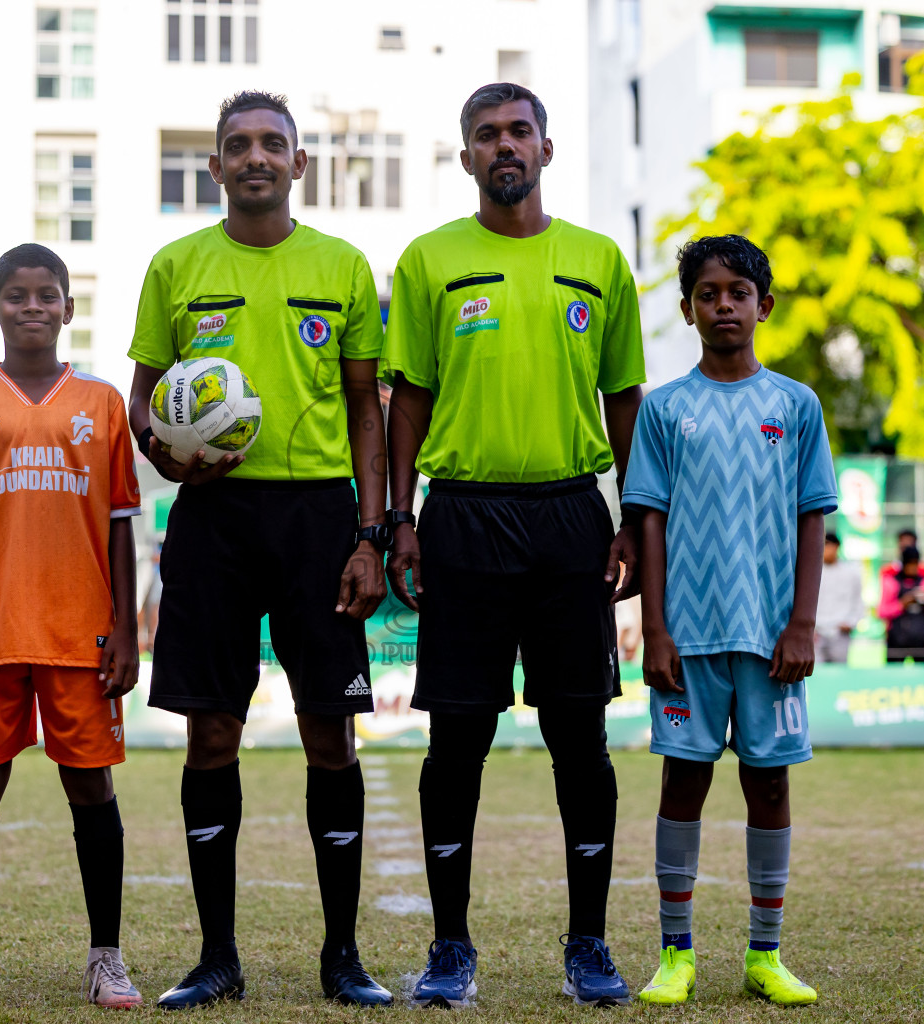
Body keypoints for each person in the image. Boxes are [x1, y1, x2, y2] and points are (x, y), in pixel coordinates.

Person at [126, 91, 391, 1009]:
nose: (255, 158)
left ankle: (343, 958)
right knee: (211, 732)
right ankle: (217, 958)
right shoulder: (177, 265)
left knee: (330, 731)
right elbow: (142, 402)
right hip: (214, 519)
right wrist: (168, 455)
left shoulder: (344, 265)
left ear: (299, 163)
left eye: (272, 144)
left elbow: (368, 406)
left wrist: (370, 531)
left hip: (319, 520)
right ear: (215, 167)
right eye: (237, 146)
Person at [383, 82, 645, 1008]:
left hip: (572, 517)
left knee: (583, 738)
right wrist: (399, 517)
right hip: (461, 517)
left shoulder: (598, 260)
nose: (505, 146)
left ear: (546, 147)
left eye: (519, 131)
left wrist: (631, 517)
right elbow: (405, 397)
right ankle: (451, 948)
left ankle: (591, 947)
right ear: (466, 157)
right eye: (487, 134)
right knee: (457, 740)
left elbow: (624, 398)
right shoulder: (429, 261)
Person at [0, 243, 143, 1010]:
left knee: (91, 786)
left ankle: (106, 957)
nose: (33, 307)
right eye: (16, 296)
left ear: (69, 308)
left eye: (47, 295)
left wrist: (127, 625)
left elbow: (120, 527)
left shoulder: (103, 404)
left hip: (80, 632)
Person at [624, 235, 833, 1008]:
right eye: (707, 294)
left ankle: (764, 954)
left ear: (762, 306)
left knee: (769, 785)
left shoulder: (796, 405)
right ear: (687, 310)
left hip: (771, 634)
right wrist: (656, 629)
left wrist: (802, 624)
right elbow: (648, 520)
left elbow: (814, 517)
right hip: (689, 635)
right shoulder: (667, 410)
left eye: (737, 293)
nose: (723, 306)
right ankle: (675, 953)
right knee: (683, 778)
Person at [879, 545, 924, 663]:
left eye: (915, 564)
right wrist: (902, 604)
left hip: (921, 639)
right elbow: (882, 612)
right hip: (897, 640)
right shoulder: (892, 582)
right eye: (909, 564)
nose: (912, 568)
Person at [814, 533, 864, 664]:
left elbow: (858, 601)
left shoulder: (851, 572)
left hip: (840, 631)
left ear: (837, 547)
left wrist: (851, 622)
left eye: (829, 545)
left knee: (840, 672)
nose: (826, 549)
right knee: (814, 673)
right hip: (817, 632)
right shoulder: (812, 572)